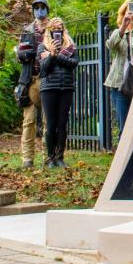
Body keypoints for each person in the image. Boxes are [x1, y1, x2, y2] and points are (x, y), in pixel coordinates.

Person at [37, 17, 78, 169]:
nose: (57, 31)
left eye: (60, 28)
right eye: (54, 29)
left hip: (66, 88)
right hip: (48, 88)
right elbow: (44, 69)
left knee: (62, 123)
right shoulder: (42, 47)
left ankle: (60, 157)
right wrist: (52, 54)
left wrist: (56, 55)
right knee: (51, 124)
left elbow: (74, 63)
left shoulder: (71, 46)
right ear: (49, 30)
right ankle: (50, 158)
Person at [14, 0, 50, 168]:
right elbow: (18, 55)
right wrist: (21, 54)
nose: (40, 10)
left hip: (49, 79)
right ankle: (27, 159)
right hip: (30, 79)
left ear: (47, 9)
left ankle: (48, 157)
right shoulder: (27, 30)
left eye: (43, 7)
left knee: (48, 120)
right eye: (37, 7)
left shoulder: (55, 28)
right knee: (29, 120)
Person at [104, 0, 133, 134]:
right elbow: (110, 45)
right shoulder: (117, 32)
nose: (132, 13)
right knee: (124, 125)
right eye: (128, 10)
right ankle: (123, 155)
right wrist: (123, 27)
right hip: (119, 85)